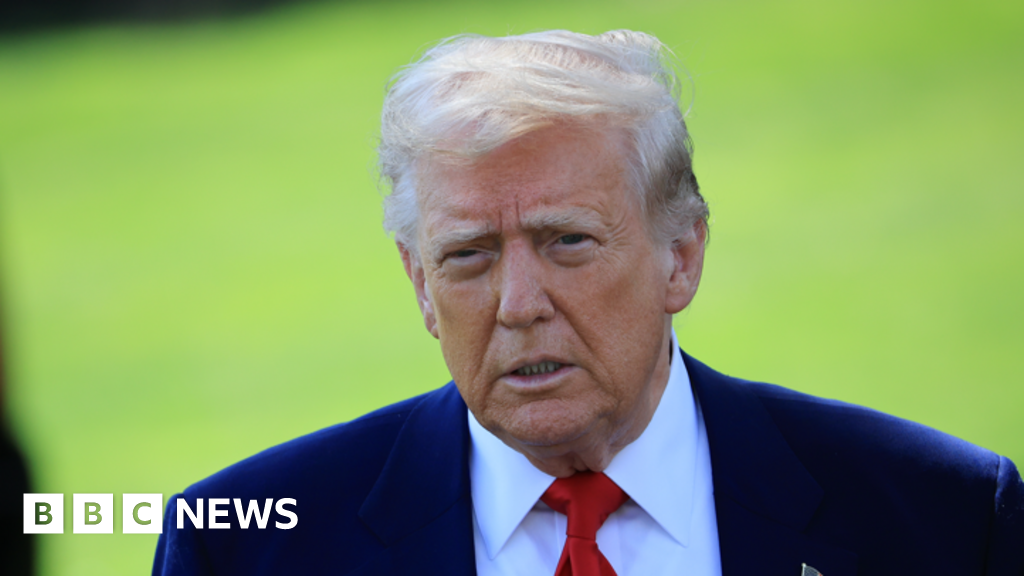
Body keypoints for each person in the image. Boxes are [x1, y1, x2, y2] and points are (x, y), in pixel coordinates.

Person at [153, 30, 1024, 576]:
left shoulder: (941, 519)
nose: (517, 303)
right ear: (420, 283)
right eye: (468, 255)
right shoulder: (244, 546)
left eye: (567, 241)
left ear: (681, 256)